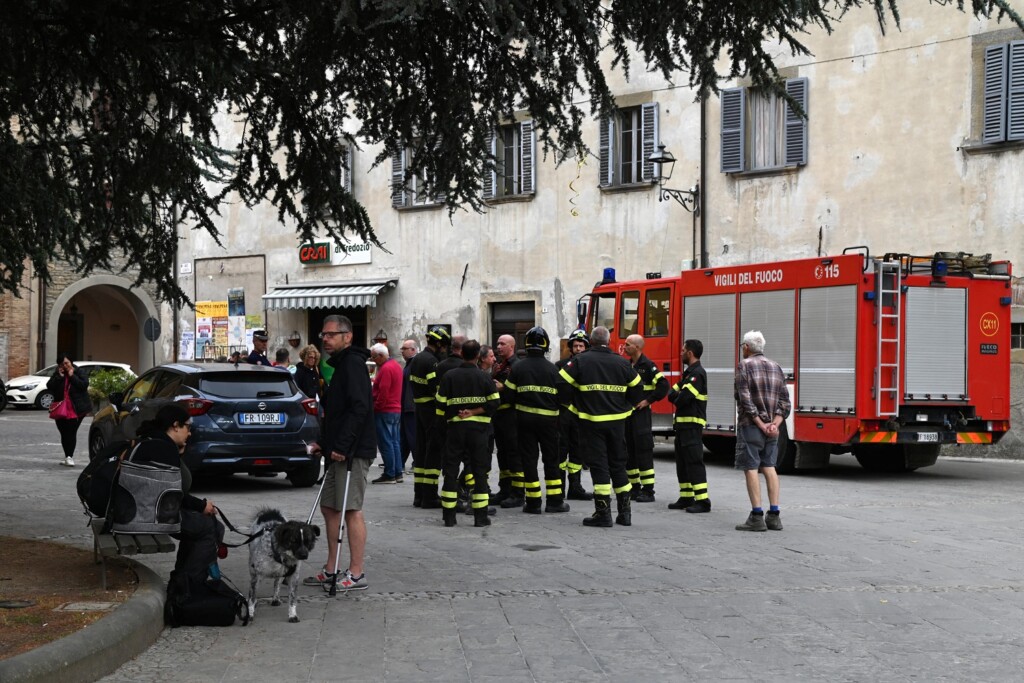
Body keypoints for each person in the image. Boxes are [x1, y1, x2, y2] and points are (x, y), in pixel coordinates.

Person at [304, 315, 377, 591]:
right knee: (329, 506)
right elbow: (337, 412)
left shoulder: (354, 365)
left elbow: (359, 409)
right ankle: (331, 567)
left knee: (351, 509)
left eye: (331, 334)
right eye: (323, 334)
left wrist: (343, 446)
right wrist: (325, 442)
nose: (325, 339)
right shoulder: (340, 366)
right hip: (337, 451)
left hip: (353, 452)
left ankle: (356, 572)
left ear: (348, 337)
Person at [558, 326, 643, 527]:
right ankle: (625, 513)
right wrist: (627, 407)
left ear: (591, 342)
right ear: (608, 341)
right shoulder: (622, 362)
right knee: (618, 465)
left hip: (591, 423)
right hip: (617, 423)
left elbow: (560, 383)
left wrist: (571, 405)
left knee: (599, 466)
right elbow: (638, 387)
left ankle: (603, 514)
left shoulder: (580, 360)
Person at [131, 403, 223, 585]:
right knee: (208, 527)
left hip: (140, 508)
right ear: (175, 425)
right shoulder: (163, 448)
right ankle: (188, 584)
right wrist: (202, 505)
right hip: (148, 515)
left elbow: (170, 485)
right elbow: (173, 493)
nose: (189, 433)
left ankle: (184, 577)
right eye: (188, 427)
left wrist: (178, 454)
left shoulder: (151, 440)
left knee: (205, 526)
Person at [435, 340, 500, 527]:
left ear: (461, 354)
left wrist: (457, 412)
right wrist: (475, 412)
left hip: (455, 430)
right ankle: (480, 517)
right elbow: (495, 403)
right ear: (478, 356)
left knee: (451, 472)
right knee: (479, 473)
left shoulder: (449, 376)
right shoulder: (485, 377)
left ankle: (449, 517)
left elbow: (440, 403)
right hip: (479, 432)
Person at [506, 327, 568, 513]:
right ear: (546, 345)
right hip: (549, 423)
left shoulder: (517, 368)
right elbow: (564, 398)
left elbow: (508, 397)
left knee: (529, 460)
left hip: (524, 422)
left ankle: (533, 503)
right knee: (551, 460)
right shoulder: (554, 369)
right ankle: (555, 501)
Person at [734, 330, 791, 532]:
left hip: (751, 427)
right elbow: (785, 402)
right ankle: (774, 515)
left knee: (751, 467)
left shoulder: (744, 366)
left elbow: (745, 399)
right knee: (769, 466)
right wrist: (774, 424)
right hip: (772, 429)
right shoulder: (776, 367)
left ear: (747, 347)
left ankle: (756, 516)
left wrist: (760, 423)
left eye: (743, 346)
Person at [407, 326, 450, 508]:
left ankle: (419, 495)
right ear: (439, 343)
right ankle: (430, 496)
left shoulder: (416, 359)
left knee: (421, 451)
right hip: (431, 411)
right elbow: (436, 388)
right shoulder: (432, 362)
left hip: (419, 409)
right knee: (433, 453)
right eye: (443, 346)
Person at [623, 334, 668, 502]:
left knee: (643, 451)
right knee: (629, 452)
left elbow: (664, 385)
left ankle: (648, 490)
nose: (624, 346)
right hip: (628, 415)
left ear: (637, 347)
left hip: (641, 416)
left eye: (628, 344)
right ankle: (634, 488)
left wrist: (648, 401)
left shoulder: (648, 366)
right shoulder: (627, 365)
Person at [667, 339, 710, 512]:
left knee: (694, 462)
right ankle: (686, 496)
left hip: (692, 425)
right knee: (682, 463)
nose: (680, 352)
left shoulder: (697, 374)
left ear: (690, 353)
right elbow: (671, 393)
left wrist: (677, 396)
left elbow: (682, 399)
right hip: (683, 427)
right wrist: (676, 395)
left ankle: (703, 501)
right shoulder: (688, 373)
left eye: (683, 350)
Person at [556, 330, 593, 501]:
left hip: (581, 416)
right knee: (561, 451)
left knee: (577, 452)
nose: (578, 348)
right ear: (570, 348)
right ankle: (559, 487)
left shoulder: (591, 366)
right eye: (575, 346)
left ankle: (575, 487)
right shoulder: (560, 365)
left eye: (581, 345)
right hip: (563, 415)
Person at [491, 334, 523, 507]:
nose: (498, 347)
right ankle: (505, 490)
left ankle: (518, 493)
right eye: (497, 343)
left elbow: (519, 392)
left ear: (511, 346)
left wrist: (503, 388)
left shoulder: (517, 366)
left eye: (502, 344)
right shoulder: (498, 366)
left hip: (512, 416)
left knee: (514, 454)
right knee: (502, 454)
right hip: (499, 416)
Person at [46, 352, 91, 467]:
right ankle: (67, 456)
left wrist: (72, 376)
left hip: (76, 409)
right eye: (62, 364)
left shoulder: (78, 371)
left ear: (71, 362)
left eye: (66, 363)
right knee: (63, 433)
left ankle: (70, 456)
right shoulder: (58, 374)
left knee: (71, 432)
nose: (65, 366)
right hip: (61, 408)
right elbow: (49, 386)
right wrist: (59, 377)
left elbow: (83, 385)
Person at [370, 343, 403, 484]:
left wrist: (376, 407)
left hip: (385, 410)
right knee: (394, 442)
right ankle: (397, 472)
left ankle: (390, 473)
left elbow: (383, 392)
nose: (373, 360)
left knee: (386, 443)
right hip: (395, 409)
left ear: (382, 355)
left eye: (374, 357)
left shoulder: (386, 369)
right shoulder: (396, 366)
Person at [399, 339, 418, 475]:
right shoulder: (409, 364)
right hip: (406, 406)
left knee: (412, 436)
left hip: (411, 406)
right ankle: (399, 463)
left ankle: (417, 462)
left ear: (413, 350)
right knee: (404, 437)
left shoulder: (415, 364)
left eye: (404, 348)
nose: (402, 351)